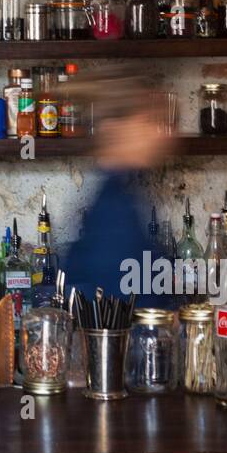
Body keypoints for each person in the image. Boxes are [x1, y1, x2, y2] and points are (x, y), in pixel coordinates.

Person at [59, 72, 175, 307]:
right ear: (116, 129)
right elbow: (124, 305)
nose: (159, 134)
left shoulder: (122, 192)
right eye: (147, 122)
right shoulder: (113, 207)